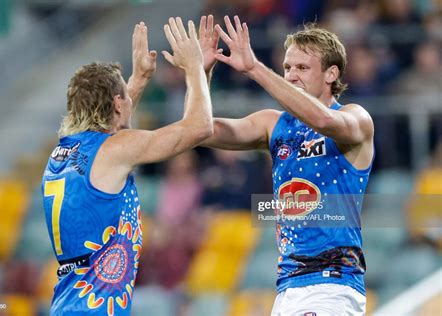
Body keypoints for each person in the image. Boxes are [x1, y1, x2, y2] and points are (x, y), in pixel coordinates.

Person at [198, 15, 374, 315]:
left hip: (332, 286)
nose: (291, 76)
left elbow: (323, 119)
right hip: (286, 288)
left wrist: (254, 68)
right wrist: (201, 72)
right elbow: (201, 130)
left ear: (331, 73)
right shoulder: (273, 124)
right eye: (287, 68)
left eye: (302, 68)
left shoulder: (356, 117)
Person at [41, 17, 212, 315]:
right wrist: (195, 67)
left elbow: (110, 134)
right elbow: (199, 127)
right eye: (124, 98)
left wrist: (139, 79)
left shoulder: (62, 153)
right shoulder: (114, 150)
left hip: (67, 304)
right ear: (118, 104)